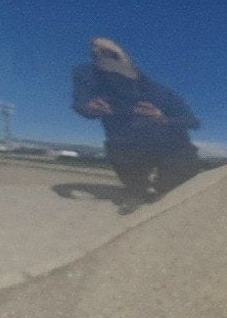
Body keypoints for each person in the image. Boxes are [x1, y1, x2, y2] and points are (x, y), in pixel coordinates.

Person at [70, 34, 201, 202]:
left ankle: (165, 185)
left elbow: (193, 122)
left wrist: (163, 119)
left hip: (172, 148)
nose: (101, 55)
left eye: (112, 56)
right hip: (126, 149)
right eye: (96, 53)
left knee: (172, 190)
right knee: (138, 192)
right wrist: (88, 106)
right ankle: (139, 188)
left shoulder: (161, 92)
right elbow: (81, 101)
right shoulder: (93, 77)